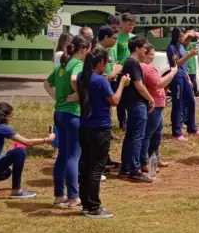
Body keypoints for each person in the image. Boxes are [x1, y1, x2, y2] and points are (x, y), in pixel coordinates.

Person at [77, 47, 130, 219]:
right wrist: (121, 84)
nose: (107, 66)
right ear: (100, 63)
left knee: (85, 165)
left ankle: (85, 203)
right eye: (106, 63)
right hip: (100, 127)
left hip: (85, 126)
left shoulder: (82, 77)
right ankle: (94, 207)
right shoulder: (100, 80)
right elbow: (114, 101)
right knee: (96, 168)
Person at [43, 34, 90, 209]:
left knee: (63, 155)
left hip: (60, 113)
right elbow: (74, 79)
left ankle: (59, 195)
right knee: (73, 156)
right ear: (84, 49)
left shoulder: (62, 66)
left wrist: (58, 97)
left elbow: (46, 84)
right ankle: (73, 197)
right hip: (72, 115)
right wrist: (80, 95)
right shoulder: (78, 64)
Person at [0, 102, 54, 199]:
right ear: (3, 116)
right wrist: (46, 140)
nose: (11, 119)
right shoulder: (1, 128)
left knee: (6, 172)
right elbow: (27, 142)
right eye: (10, 116)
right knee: (20, 151)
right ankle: (17, 190)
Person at [117, 38, 157, 183]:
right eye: (144, 48)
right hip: (137, 104)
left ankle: (126, 169)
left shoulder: (129, 62)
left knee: (131, 136)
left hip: (132, 103)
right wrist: (151, 99)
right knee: (137, 137)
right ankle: (134, 169)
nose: (146, 51)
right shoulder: (132, 63)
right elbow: (139, 85)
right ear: (138, 48)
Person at [140, 43, 177, 173]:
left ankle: (154, 157)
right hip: (153, 105)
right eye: (150, 54)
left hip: (158, 104)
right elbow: (158, 83)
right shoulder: (146, 68)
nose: (152, 57)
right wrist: (172, 74)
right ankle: (144, 161)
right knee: (149, 133)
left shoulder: (148, 67)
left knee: (157, 133)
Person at [166, 28, 199, 141]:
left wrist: (188, 78)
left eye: (183, 36)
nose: (182, 38)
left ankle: (192, 127)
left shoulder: (182, 46)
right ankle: (177, 131)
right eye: (180, 36)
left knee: (191, 101)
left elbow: (184, 66)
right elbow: (176, 64)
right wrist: (190, 55)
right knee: (178, 103)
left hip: (184, 76)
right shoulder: (171, 48)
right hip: (176, 77)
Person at [114, 14, 136, 130]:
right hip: (120, 72)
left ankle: (131, 120)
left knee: (132, 97)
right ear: (122, 24)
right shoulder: (116, 38)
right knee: (121, 99)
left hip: (132, 71)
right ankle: (122, 121)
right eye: (129, 24)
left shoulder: (134, 37)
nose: (131, 27)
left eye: (133, 25)